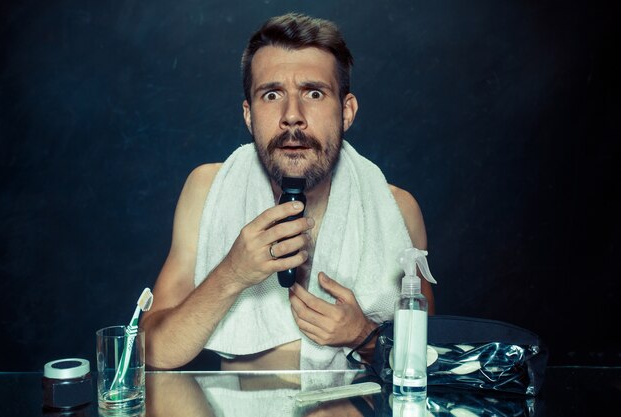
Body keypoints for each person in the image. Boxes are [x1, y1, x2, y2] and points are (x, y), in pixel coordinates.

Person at [141, 13, 435, 371]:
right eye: (271, 94)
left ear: (346, 112)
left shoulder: (397, 209)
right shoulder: (207, 191)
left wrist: (364, 336)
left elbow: (429, 360)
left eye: (313, 93)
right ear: (249, 115)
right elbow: (152, 352)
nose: (292, 116)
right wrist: (232, 273)